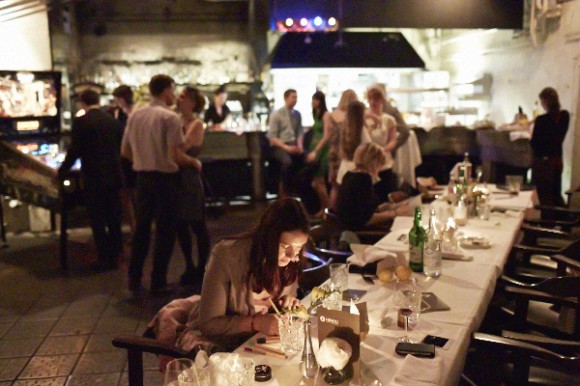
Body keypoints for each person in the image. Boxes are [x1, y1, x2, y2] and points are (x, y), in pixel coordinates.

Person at [148, 198, 309, 361]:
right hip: (223, 349)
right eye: (285, 246)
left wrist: (287, 301)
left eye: (298, 248)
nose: (292, 256)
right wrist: (257, 322)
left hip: (259, 347)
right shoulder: (227, 255)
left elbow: (285, 297)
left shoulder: (291, 261)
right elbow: (209, 324)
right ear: (269, 237)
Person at [121, 74, 202, 295]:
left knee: (142, 230)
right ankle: (158, 279)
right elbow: (175, 155)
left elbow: (125, 151)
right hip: (166, 180)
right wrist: (194, 162)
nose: (174, 95)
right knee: (165, 231)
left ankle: (134, 277)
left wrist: (143, 159)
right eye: (172, 90)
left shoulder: (136, 115)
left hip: (142, 179)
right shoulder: (170, 118)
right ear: (166, 90)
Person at [58, 89, 123, 271]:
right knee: (114, 217)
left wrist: (62, 170)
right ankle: (116, 255)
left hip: (93, 176)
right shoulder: (112, 121)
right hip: (113, 175)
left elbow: (75, 150)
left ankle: (103, 257)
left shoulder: (81, 122)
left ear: (82, 102)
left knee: (97, 218)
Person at [175, 86, 211, 285]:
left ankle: (202, 266)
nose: (179, 99)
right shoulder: (174, 120)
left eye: (183, 97)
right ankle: (188, 264)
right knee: (180, 224)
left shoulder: (196, 124)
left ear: (192, 102)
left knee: (197, 223)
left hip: (189, 177)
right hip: (176, 176)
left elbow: (182, 146)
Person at [336, 143, 409, 230]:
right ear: (374, 162)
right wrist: (395, 213)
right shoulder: (363, 178)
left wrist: (382, 208)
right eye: (379, 165)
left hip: (347, 229)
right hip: (359, 233)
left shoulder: (349, 174)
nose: (379, 169)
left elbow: (361, 210)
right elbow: (367, 220)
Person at [530, 87, 570, 207]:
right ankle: (561, 220)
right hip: (557, 160)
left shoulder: (541, 120)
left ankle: (547, 220)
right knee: (556, 193)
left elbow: (535, 143)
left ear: (546, 101)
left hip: (543, 163)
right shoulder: (565, 116)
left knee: (544, 197)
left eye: (542, 101)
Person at [324, 89, 358, 210]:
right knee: (347, 185)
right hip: (348, 154)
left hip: (334, 152)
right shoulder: (353, 117)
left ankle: (331, 213)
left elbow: (327, 135)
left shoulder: (331, 115)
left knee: (335, 186)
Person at [268, 89, 304, 197]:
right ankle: (284, 191)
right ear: (286, 98)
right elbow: (272, 137)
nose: (295, 100)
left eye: (296, 97)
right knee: (287, 162)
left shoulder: (297, 114)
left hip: (293, 144)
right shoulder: (277, 114)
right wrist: (286, 148)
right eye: (293, 97)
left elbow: (299, 133)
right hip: (279, 146)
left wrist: (300, 146)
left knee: (307, 160)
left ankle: (299, 191)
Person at [112, 85, 137, 240]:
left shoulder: (134, 114)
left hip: (132, 159)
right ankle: (135, 229)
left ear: (122, 99)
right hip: (124, 158)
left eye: (118, 99)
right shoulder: (119, 114)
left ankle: (137, 231)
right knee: (126, 196)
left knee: (132, 196)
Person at [365, 86, 398, 202]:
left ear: (381, 100)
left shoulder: (389, 119)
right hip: (368, 160)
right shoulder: (364, 118)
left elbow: (393, 140)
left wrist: (383, 150)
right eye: (370, 99)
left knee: (385, 192)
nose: (373, 102)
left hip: (384, 159)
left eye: (376, 99)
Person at [305, 91, 330, 215]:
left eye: (316, 100)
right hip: (315, 146)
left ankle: (326, 208)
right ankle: (324, 207)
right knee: (316, 181)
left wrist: (316, 150)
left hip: (322, 149)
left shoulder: (326, 115)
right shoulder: (316, 113)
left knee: (319, 181)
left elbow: (327, 135)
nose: (313, 102)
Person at [336, 100, 371, 185]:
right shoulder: (361, 130)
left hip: (345, 167)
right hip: (358, 171)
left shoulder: (345, 129)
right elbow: (368, 148)